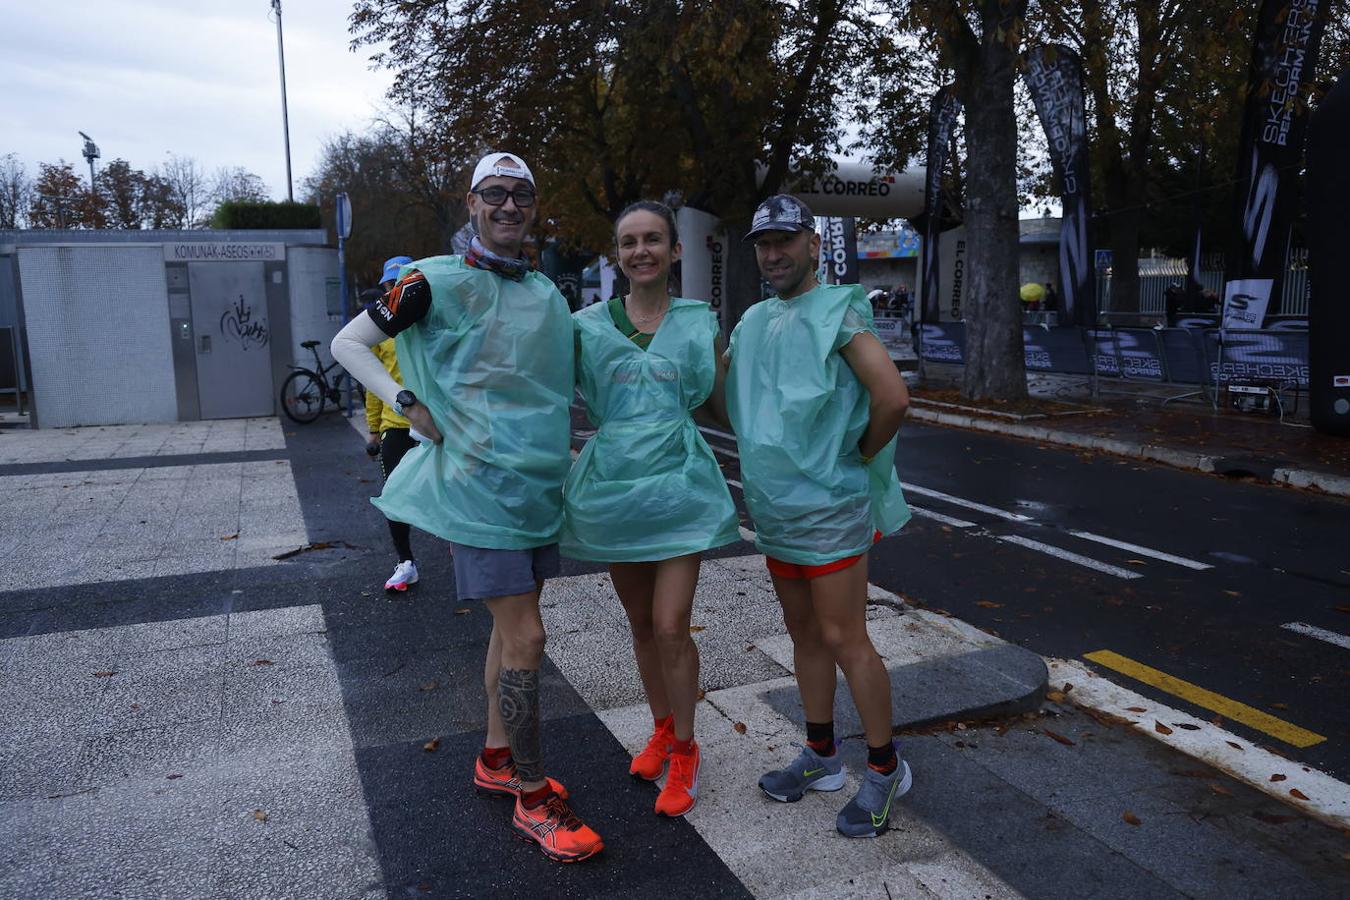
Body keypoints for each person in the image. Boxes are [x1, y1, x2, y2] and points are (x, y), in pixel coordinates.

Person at [331, 153, 603, 863]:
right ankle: (535, 796)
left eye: (521, 195)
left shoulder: (545, 292)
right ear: (472, 201)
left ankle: (494, 757)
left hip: (536, 490)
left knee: (508, 637)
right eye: (495, 194)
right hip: (479, 492)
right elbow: (350, 343)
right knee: (528, 638)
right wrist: (407, 405)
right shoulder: (430, 280)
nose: (509, 206)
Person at [726, 194, 914, 838]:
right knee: (804, 636)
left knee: (843, 637)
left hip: (830, 506)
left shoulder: (839, 309)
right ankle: (822, 756)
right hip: (775, 507)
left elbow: (892, 397)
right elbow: (732, 403)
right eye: (762, 243)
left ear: (813, 243)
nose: (773, 253)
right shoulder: (753, 321)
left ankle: (886, 770)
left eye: (784, 240)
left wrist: (855, 456)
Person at [561, 201, 740, 818]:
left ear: (675, 250)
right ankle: (662, 726)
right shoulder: (583, 326)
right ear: (617, 254)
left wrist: (787, 439)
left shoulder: (697, 320)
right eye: (630, 242)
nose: (642, 251)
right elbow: (540, 395)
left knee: (670, 624)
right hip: (613, 488)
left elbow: (720, 407)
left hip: (680, 486)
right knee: (640, 625)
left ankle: (686, 748)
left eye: (654, 240)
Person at [363, 256, 420, 592]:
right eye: (389, 285)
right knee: (394, 496)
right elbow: (373, 384)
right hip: (394, 426)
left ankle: (462, 549)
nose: (395, 289)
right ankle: (406, 562)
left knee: (453, 490)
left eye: (402, 283)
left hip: (432, 425)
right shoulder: (379, 333)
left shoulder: (430, 322)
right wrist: (372, 428)